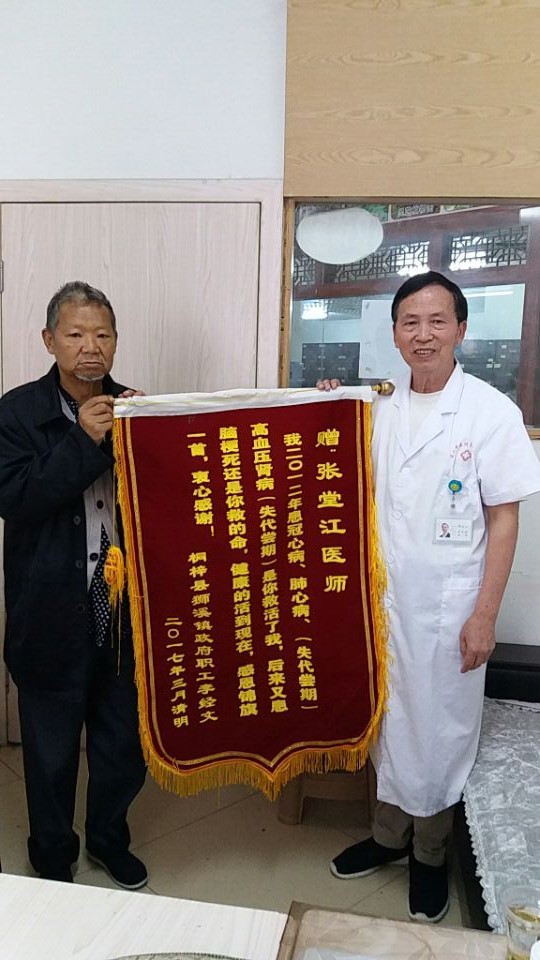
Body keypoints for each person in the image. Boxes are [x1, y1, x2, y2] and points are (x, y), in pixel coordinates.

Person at [318, 271, 540, 922]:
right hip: (381, 607)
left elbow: (504, 518)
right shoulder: (377, 407)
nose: (423, 334)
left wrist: (484, 615)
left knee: (438, 732)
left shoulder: (490, 412)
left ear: (461, 330)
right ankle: (388, 838)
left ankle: (429, 855)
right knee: (388, 723)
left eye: (437, 321)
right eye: (410, 322)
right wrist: (324, 405)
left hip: (449, 609)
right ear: (394, 333)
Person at [0, 281, 147, 887]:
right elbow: (16, 498)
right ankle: (52, 853)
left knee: (121, 744)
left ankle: (109, 839)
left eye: (103, 334)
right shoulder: (16, 412)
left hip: (123, 609)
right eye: (76, 334)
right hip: (49, 610)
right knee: (51, 750)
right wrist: (82, 439)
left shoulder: (135, 408)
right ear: (49, 340)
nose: (91, 347)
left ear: (115, 341)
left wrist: (155, 435)